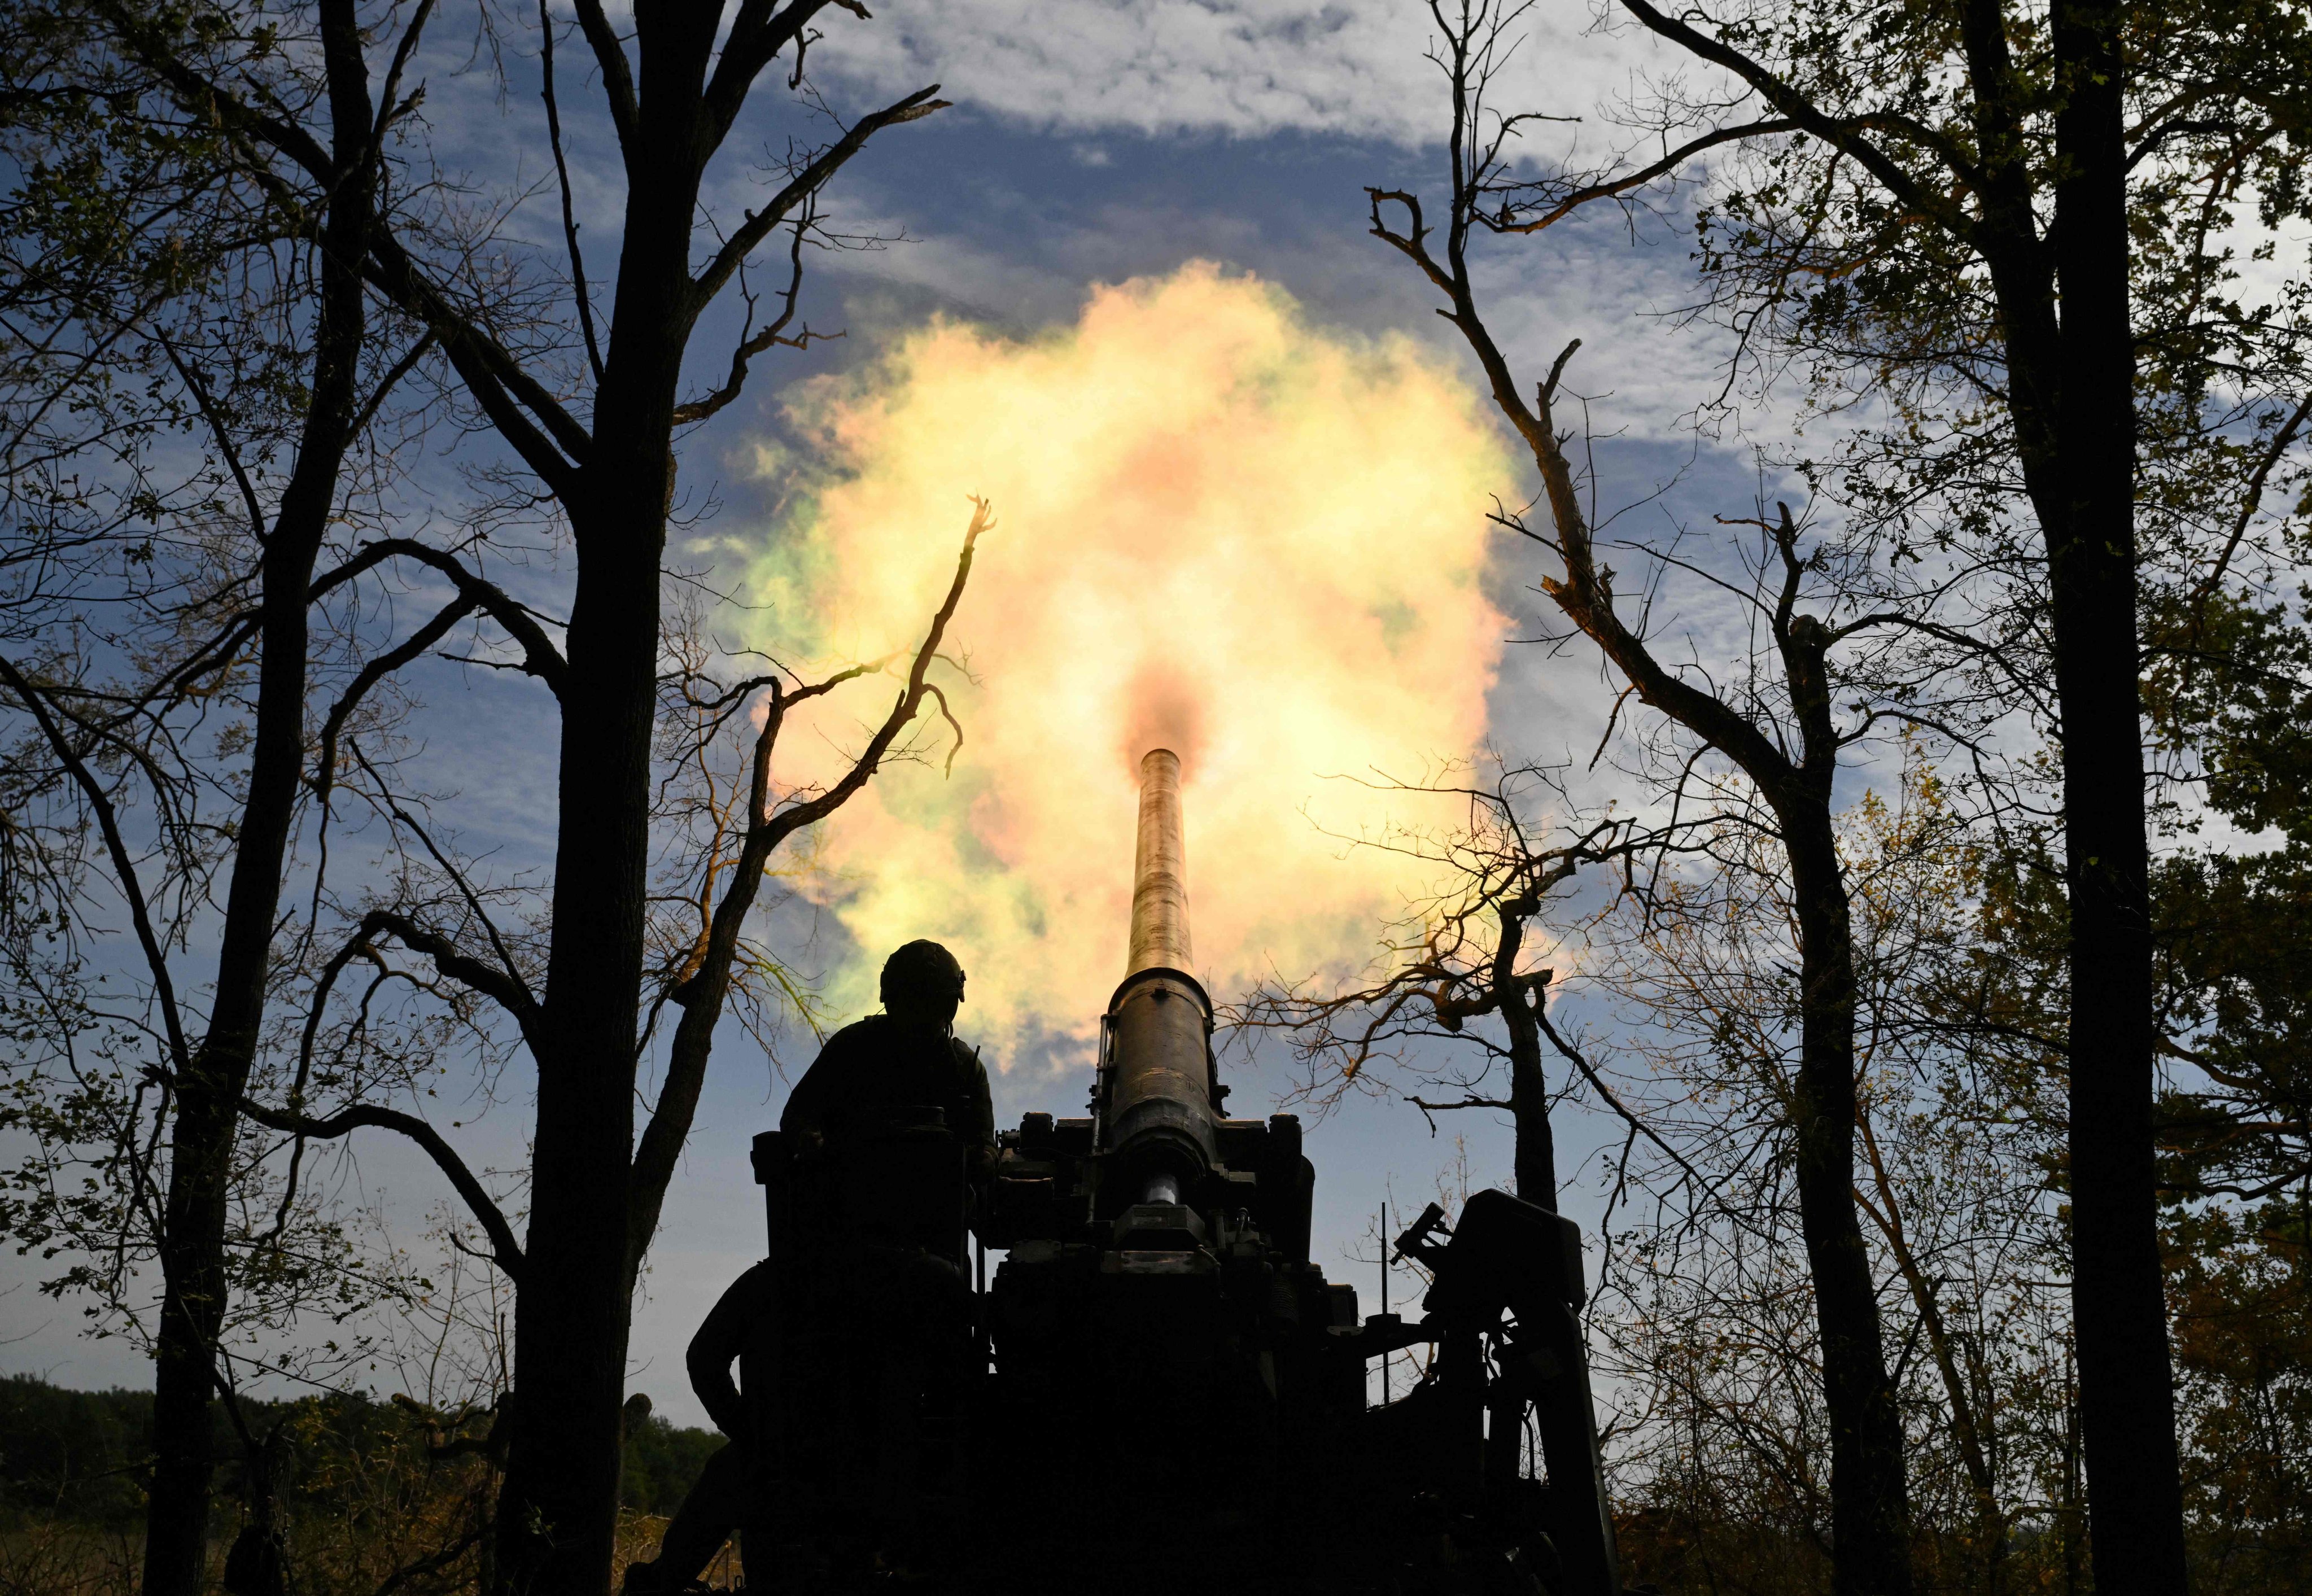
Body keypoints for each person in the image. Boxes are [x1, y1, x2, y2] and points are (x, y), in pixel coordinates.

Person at [620, 941, 991, 1594]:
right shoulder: (925, 1291)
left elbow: (705, 1360)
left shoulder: (789, 1283)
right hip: (887, 1459)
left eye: (928, 1010)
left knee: (735, 1476)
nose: (920, 1024)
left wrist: (760, 1440)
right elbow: (801, 1118)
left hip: (832, 1457)